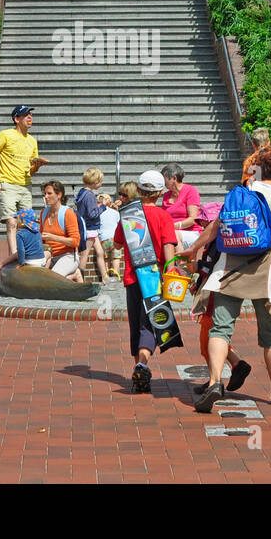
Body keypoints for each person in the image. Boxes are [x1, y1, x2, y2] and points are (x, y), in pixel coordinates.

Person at [183, 147, 271, 411]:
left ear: (255, 170)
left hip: (228, 272)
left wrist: (194, 248)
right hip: (265, 276)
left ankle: (214, 382)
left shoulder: (240, 195)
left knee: (220, 329)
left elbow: (214, 228)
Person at [113, 175, 178, 394]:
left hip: (133, 277)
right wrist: (170, 270)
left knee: (135, 324)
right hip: (154, 278)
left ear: (139, 190)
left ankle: (138, 370)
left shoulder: (129, 214)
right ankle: (142, 365)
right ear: (160, 193)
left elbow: (117, 244)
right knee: (149, 324)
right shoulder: (164, 216)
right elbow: (169, 246)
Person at [0, 105, 47, 266]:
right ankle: (14, 259)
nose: (29, 118)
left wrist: (38, 166)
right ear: (16, 119)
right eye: (25, 115)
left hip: (26, 186)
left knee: (27, 223)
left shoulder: (32, 141)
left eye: (30, 115)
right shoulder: (6, 135)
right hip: (8, 184)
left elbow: (31, 170)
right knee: (12, 222)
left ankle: (24, 257)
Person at [39, 180, 83, 281]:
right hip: (49, 255)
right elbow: (41, 239)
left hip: (68, 256)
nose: (46, 196)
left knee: (52, 281)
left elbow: (75, 241)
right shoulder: (43, 213)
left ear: (59, 195)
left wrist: (53, 237)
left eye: (49, 193)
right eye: (44, 193)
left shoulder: (68, 213)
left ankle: (75, 274)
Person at [75, 168, 108, 281]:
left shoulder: (82, 192)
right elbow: (93, 214)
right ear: (94, 182)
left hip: (90, 228)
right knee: (85, 255)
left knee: (100, 252)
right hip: (89, 229)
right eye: (100, 181)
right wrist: (103, 206)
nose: (101, 183)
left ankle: (105, 277)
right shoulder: (89, 195)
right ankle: (80, 279)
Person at [160, 163, 202, 248]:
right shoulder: (166, 195)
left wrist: (174, 226)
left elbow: (193, 219)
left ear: (174, 178)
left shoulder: (190, 191)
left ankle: (180, 261)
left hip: (191, 232)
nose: (162, 183)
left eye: (164, 179)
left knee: (173, 236)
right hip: (171, 232)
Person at [97, 190, 122, 279]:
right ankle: (115, 274)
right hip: (114, 238)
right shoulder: (115, 213)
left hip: (103, 238)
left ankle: (106, 276)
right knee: (116, 258)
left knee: (106, 258)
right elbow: (119, 224)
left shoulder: (98, 213)